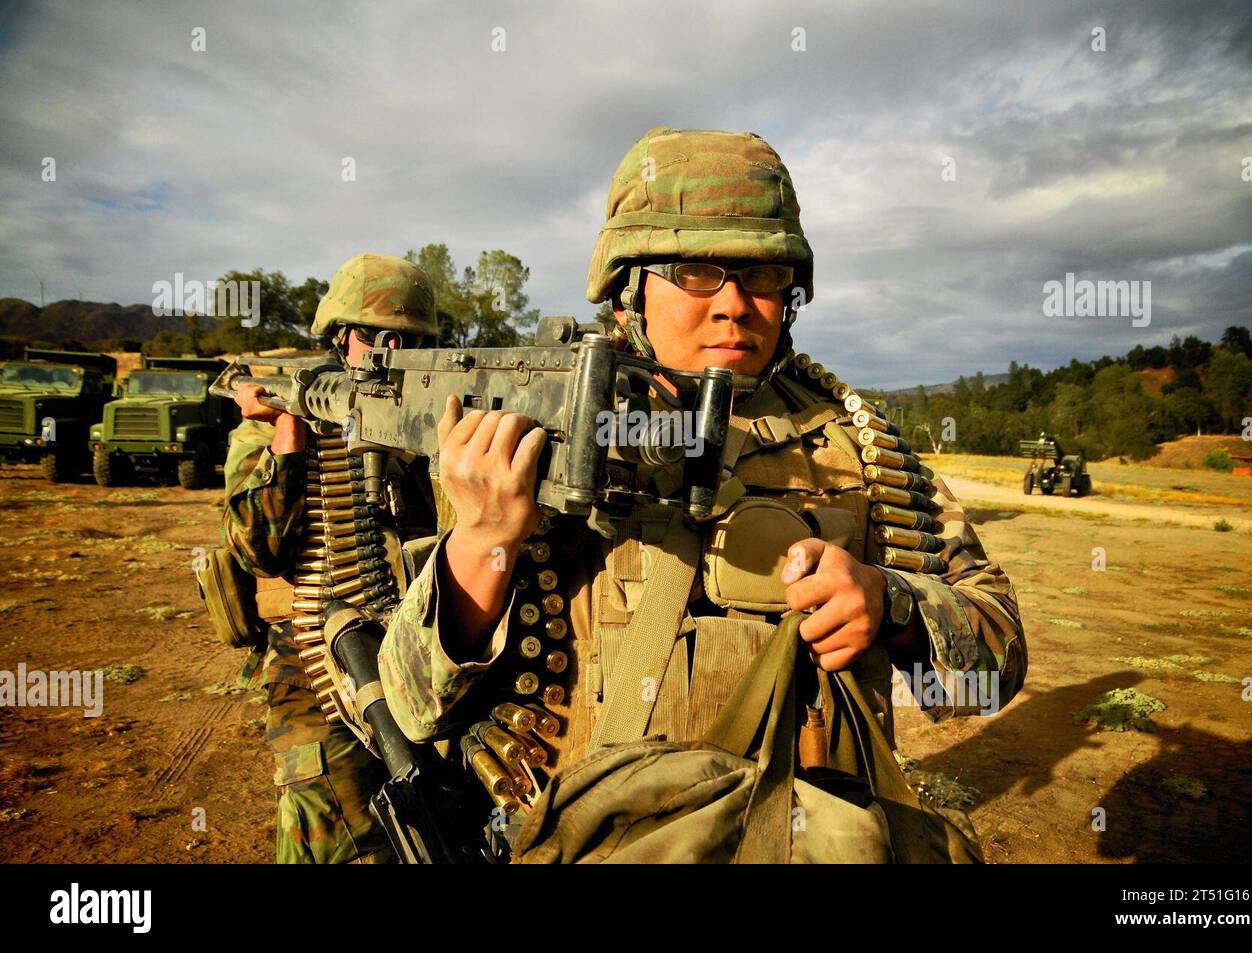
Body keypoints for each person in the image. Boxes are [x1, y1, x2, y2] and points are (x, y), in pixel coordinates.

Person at [377, 128, 1027, 845]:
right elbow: (417, 710)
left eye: (764, 275)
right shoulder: (531, 432)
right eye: (694, 270)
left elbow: (991, 674)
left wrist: (891, 602)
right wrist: (483, 544)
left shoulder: (859, 451)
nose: (735, 304)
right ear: (631, 285)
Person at [222, 253, 439, 863]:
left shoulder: (427, 418)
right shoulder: (268, 430)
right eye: (372, 335)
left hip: (416, 657)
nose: (388, 349)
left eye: (408, 340)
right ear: (340, 336)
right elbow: (257, 549)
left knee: (433, 824)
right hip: (314, 673)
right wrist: (290, 429)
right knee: (343, 838)